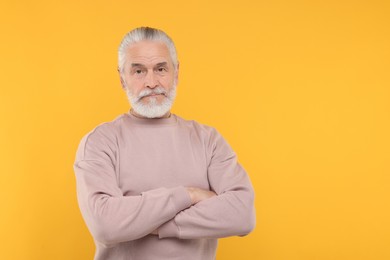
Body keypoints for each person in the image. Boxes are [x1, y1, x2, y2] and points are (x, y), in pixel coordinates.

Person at [74, 26, 255, 260]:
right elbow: (106, 224)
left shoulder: (208, 140)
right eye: (138, 71)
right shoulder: (100, 142)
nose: (151, 82)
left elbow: (242, 214)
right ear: (122, 78)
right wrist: (189, 195)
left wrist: (143, 222)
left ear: (176, 72)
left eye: (160, 69)